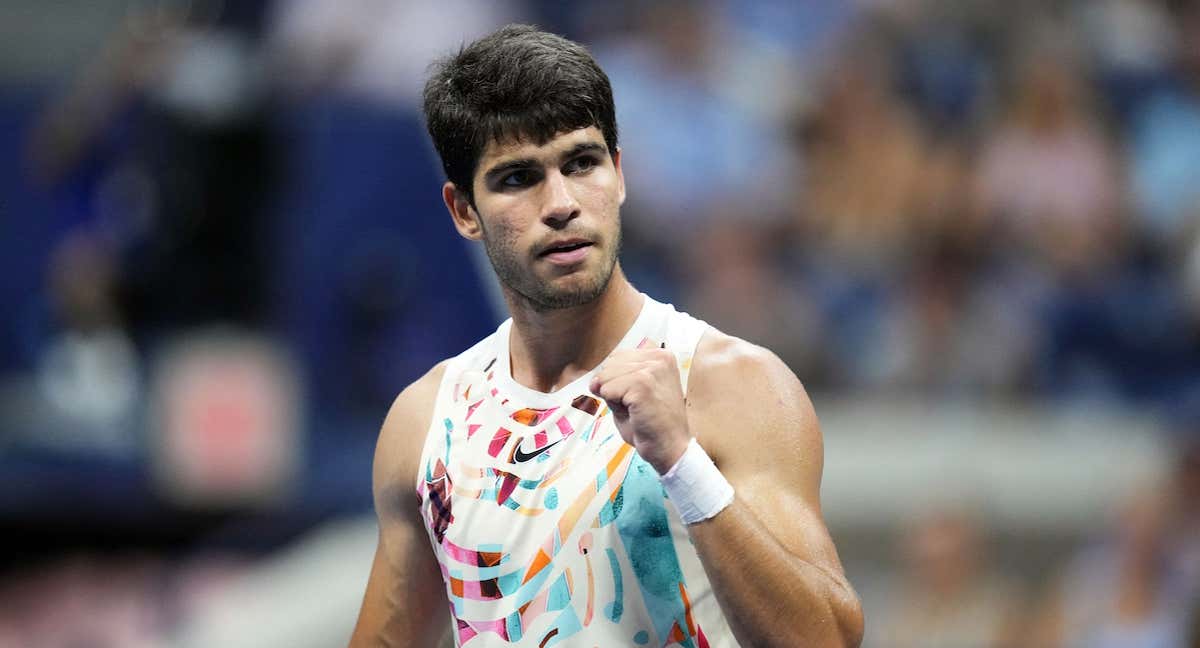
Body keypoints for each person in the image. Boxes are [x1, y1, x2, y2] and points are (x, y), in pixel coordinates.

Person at [348, 24, 863, 648]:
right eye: (518, 178)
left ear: (618, 175)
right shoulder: (426, 421)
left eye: (582, 163)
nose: (562, 201)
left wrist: (682, 461)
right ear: (463, 212)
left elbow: (829, 640)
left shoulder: (735, 384)